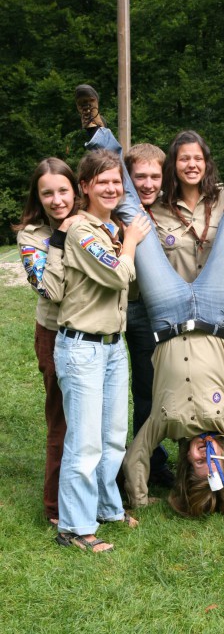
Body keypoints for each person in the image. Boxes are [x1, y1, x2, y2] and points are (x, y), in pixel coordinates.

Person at [78, 84, 224, 479]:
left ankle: (95, 133)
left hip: (189, 310)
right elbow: (124, 199)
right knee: (135, 205)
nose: (191, 164)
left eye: (197, 157)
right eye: (183, 158)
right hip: (204, 307)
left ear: (207, 162)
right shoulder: (162, 204)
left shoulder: (218, 197)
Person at [49, 148, 150, 552]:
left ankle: (107, 507)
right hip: (82, 348)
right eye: (101, 182)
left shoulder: (110, 227)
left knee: (112, 438)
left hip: (112, 346)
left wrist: (125, 237)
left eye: (116, 182)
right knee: (85, 441)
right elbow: (118, 275)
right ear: (85, 187)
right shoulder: (81, 231)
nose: (111, 188)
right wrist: (131, 243)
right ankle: (73, 527)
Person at [75, 85, 174, 486]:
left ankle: (152, 460)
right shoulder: (106, 207)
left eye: (155, 176)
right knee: (105, 393)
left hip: (152, 311)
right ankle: (105, 468)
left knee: (151, 390)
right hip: (109, 310)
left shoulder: (170, 211)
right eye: (139, 177)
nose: (147, 184)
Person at [14, 158, 83, 525]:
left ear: (75, 190)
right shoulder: (30, 236)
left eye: (63, 190)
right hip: (55, 332)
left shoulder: (91, 222)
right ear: (37, 198)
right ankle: (56, 507)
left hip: (93, 332)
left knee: (94, 421)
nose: (57, 200)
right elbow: (48, 289)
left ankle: (101, 497)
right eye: (47, 194)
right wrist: (60, 237)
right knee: (62, 419)